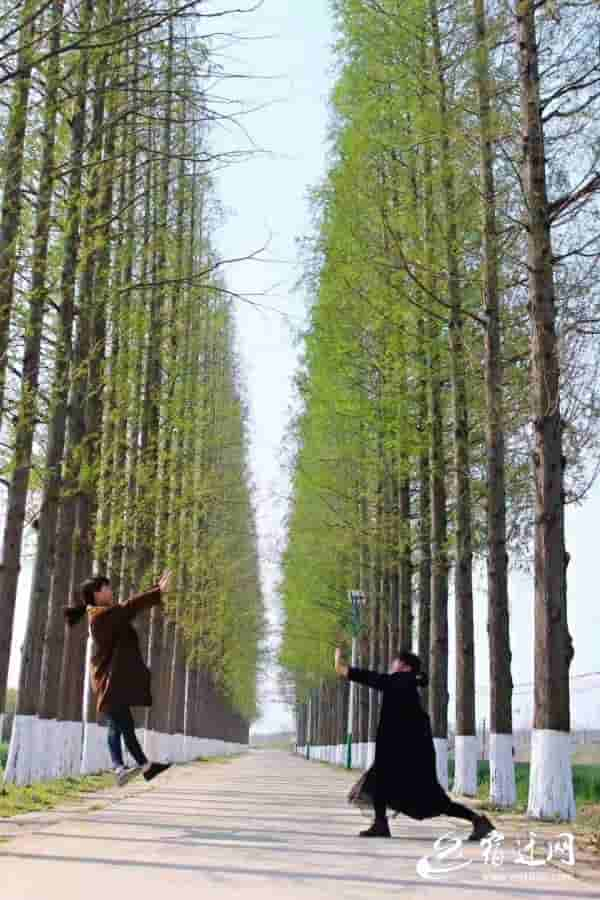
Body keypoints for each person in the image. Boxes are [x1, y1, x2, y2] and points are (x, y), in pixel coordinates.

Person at [335, 647, 495, 840]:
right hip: (405, 752)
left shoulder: (400, 681)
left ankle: (478, 821)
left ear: (404, 666)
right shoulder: (406, 682)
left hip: (407, 754)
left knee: (430, 799)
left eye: (395, 662)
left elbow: (372, 678)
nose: (392, 666)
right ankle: (380, 824)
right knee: (382, 783)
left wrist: (343, 666)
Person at [65, 570, 174, 787]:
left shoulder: (105, 614)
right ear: (97, 594)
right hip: (109, 682)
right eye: (106, 588)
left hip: (114, 681)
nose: (111, 591)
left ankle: (143, 767)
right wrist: (157, 592)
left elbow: (126, 609)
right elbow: (129, 607)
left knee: (122, 725)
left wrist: (155, 591)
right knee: (120, 725)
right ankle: (122, 767)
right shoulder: (100, 617)